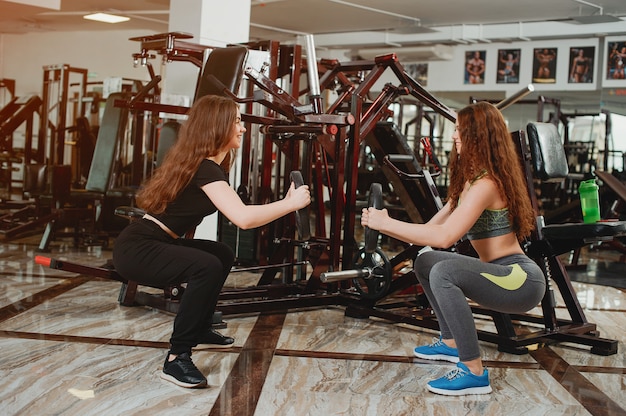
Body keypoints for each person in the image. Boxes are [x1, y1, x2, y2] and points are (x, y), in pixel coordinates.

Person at [112, 95, 311, 389]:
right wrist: (291, 205)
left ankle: (201, 327)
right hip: (138, 247)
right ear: (219, 127)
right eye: (237, 121)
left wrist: (285, 202)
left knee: (220, 253)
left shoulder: (206, 166)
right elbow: (242, 218)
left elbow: (240, 212)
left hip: (152, 240)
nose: (242, 128)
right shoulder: (206, 169)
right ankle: (176, 358)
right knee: (205, 266)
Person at [361, 101, 546, 396]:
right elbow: (431, 235)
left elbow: (446, 236)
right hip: (502, 274)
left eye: (460, 130)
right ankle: (450, 342)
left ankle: (474, 372)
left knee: (444, 270)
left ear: (477, 136)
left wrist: (385, 223)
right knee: (427, 262)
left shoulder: (487, 184)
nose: (454, 136)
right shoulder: (470, 183)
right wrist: (386, 225)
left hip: (519, 280)